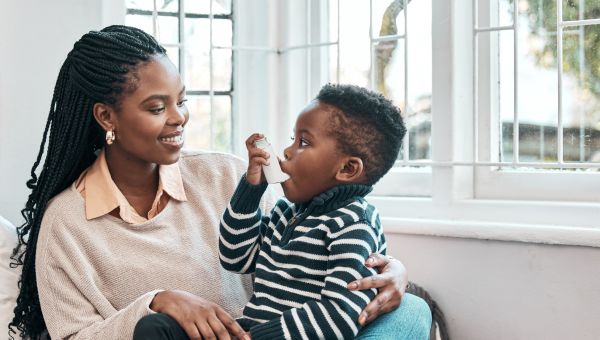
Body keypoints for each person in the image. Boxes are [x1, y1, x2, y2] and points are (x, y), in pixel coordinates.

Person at [8, 25, 430, 340]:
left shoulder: (224, 173)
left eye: (182, 100)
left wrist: (388, 273)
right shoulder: (67, 222)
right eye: (157, 107)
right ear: (106, 117)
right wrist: (153, 303)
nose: (179, 118)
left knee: (411, 309)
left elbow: (308, 257)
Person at [218, 84, 430, 339]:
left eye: (304, 142)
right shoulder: (285, 213)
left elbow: (340, 314)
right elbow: (235, 257)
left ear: (348, 169)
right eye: (292, 139)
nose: (286, 151)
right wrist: (251, 190)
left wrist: (257, 337)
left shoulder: (354, 223)